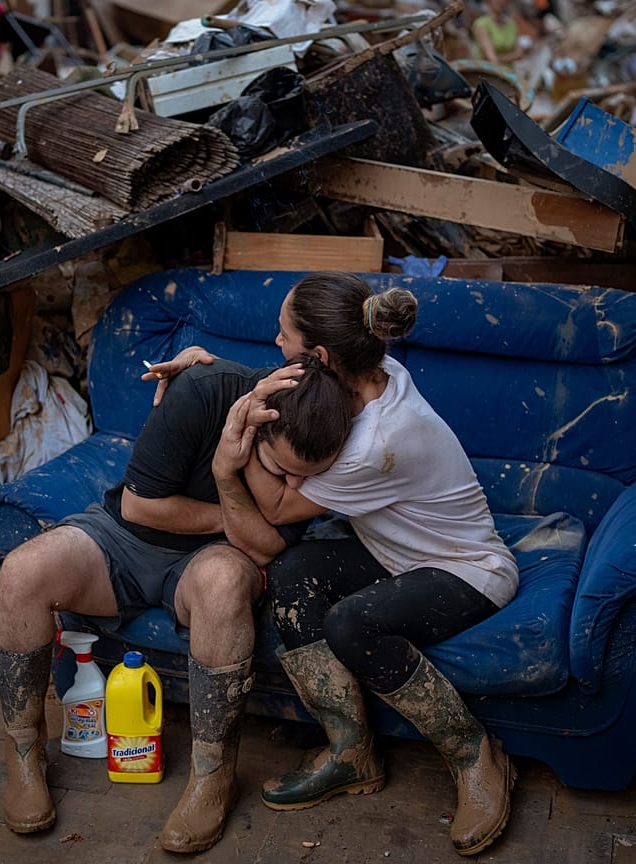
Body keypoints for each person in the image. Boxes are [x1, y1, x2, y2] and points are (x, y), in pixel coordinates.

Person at [145, 273, 520, 856]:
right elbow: (291, 386)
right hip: (393, 554)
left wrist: (235, 435)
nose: (274, 342)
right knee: (294, 573)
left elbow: (271, 509)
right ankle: (352, 753)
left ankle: (475, 753)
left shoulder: (374, 442)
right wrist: (208, 369)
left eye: (282, 334)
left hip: (467, 568)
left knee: (351, 623)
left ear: (318, 355)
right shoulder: (373, 369)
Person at [0, 354, 350, 854]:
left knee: (224, 580)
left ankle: (212, 775)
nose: (293, 490)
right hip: (124, 534)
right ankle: (24, 754)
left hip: (211, 559)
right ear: (253, 421)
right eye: (280, 470)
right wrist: (238, 516)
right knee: (22, 572)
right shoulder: (204, 390)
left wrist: (229, 480)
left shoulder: (327, 437)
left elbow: (266, 548)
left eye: (306, 480)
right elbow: (142, 507)